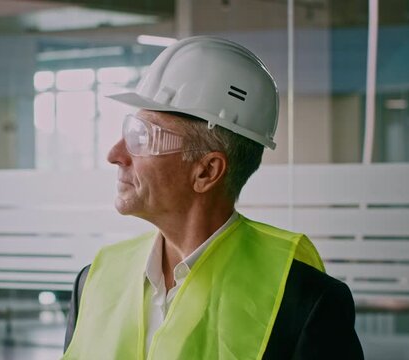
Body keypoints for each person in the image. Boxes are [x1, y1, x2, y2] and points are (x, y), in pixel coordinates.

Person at [62, 36, 364, 359]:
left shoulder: (304, 303)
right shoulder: (93, 282)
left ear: (207, 171)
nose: (114, 155)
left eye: (142, 137)